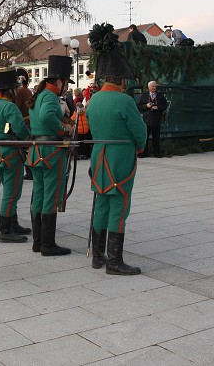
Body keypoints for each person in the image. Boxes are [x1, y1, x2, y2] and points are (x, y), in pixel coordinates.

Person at [85, 25, 147, 275]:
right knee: (119, 207)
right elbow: (139, 131)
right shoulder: (124, 100)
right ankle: (114, 261)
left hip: (99, 157)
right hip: (120, 157)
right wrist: (140, 146)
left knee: (101, 204)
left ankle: (98, 256)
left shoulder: (94, 99)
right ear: (121, 79)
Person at [27, 55, 74, 256]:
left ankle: (38, 242)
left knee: (38, 195)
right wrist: (63, 129)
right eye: (65, 83)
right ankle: (47, 244)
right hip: (51, 151)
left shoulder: (41, 95)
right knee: (51, 196)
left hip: (38, 150)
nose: (65, 87)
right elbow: (47, 116)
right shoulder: (49, 96)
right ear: (59, 82)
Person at [0, 68, 32, 243]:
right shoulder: (9, 107)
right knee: (12, 193)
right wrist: (29, 140)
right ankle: (6, 230)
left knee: (9, 191)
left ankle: (13, 224)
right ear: (9, 90)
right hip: (11, 153)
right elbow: (20, 129)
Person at [137, 81, 167, 158]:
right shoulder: (144, 95)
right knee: (145, 137)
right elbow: (139, 106)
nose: (154, 88)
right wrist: (146, 106)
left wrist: (157, 107)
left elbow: (164, 106)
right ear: (149, 87)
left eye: (155, 86)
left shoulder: (160, 95)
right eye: (153, 86)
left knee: (156, 137)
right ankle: (144, 153)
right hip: (147, 119)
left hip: (156, 119)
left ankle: (157, 153)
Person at [14, 68, 34, 180]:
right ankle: (30, 170)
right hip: (28, 121)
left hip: (23, 121)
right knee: (27, 147)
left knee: (23, 148)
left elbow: (16, 107)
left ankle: (28, 170)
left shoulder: (20, 91)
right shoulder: (27, 90)